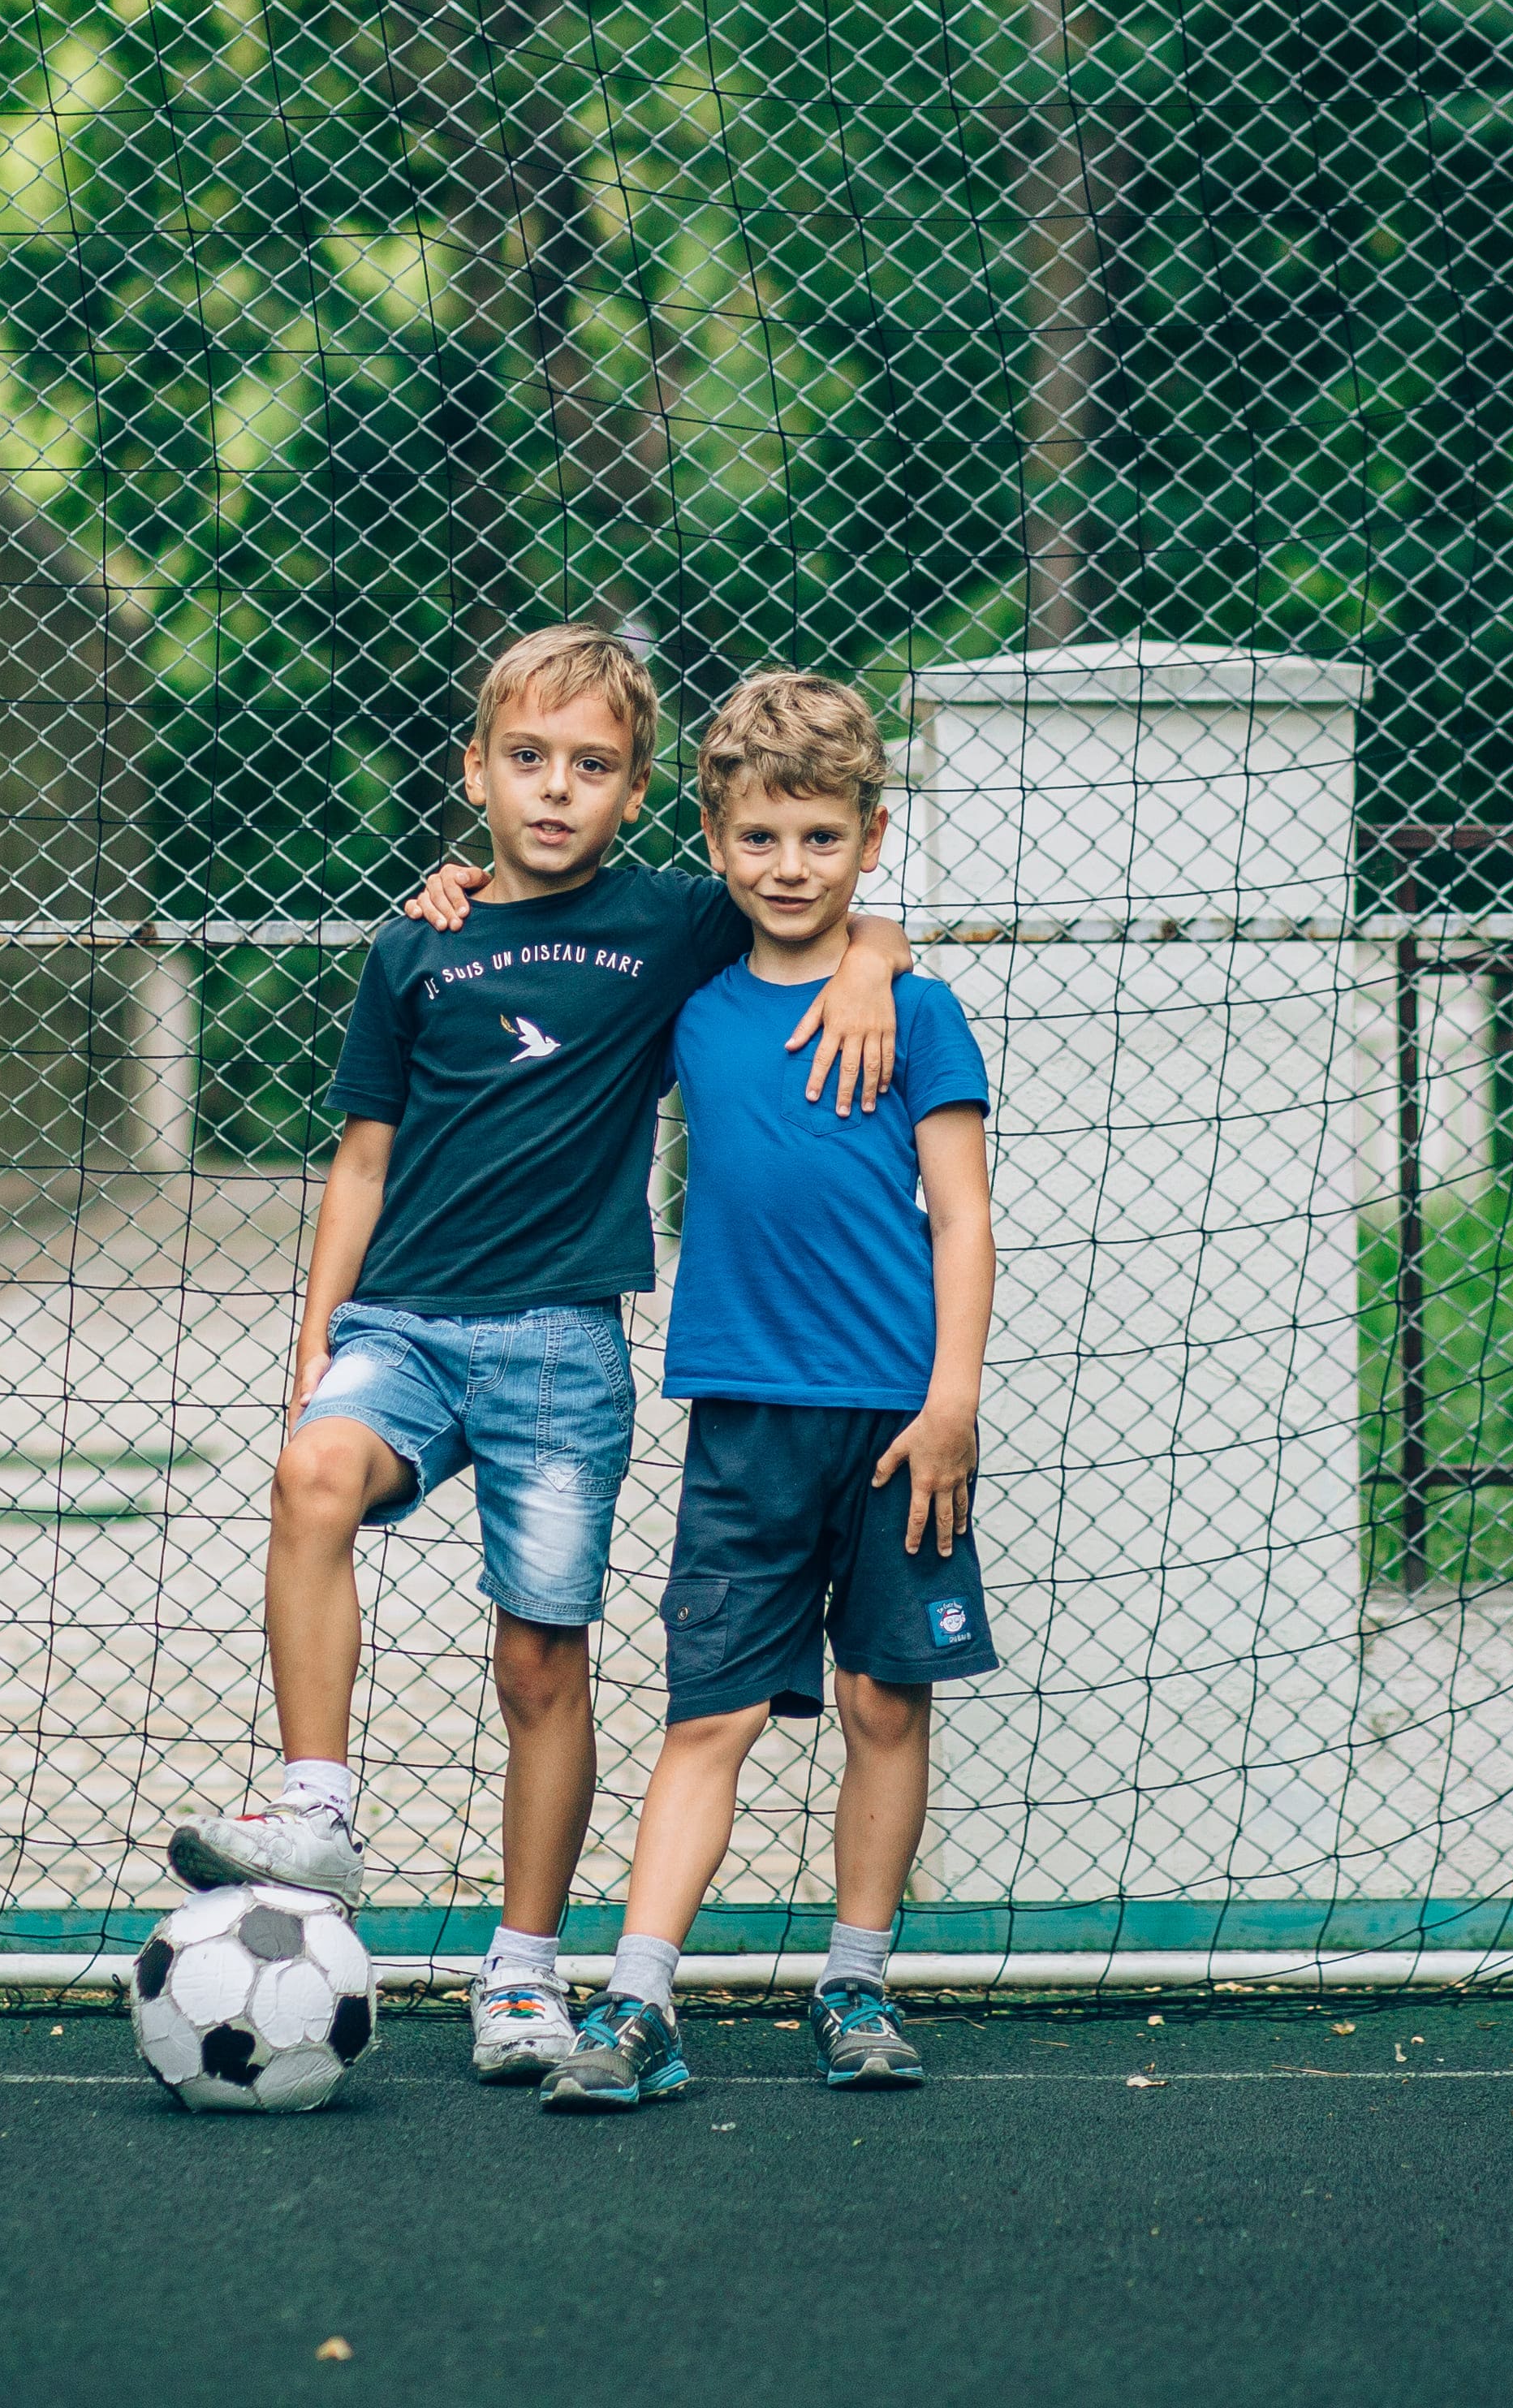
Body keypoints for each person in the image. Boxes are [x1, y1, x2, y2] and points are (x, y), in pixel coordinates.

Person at [166, 625, 915, 2088]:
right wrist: (321, 1329)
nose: (556, 789)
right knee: (313, 1473)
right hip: (403, 1323)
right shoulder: (415, 943)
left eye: (591, 766)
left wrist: (880, 962)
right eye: (528, 759)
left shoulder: (672, 922)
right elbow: (363, 1158)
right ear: (477, 773)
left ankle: (523, 1970)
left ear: (635, 792)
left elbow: (824, 907)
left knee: (536, 1662)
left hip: (563, 1345)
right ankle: (316, 1809)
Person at [544, 671, 994, 2109]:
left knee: (884, 1705)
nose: (788, 867)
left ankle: (856, 1984)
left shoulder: (917, 1010)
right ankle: (637, 2001)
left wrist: (954, 1401)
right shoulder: (689, 1004)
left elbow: (963, 1218)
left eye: (820, 840)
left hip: (902, 1420)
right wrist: (449, 889)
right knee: (711, 1717)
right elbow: (554, 921)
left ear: (870, 837)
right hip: (745, 1414)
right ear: (716, 840)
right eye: (758, 839)